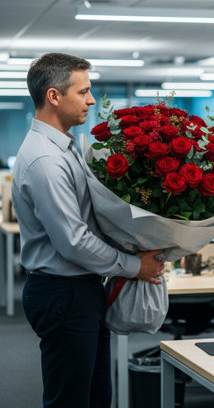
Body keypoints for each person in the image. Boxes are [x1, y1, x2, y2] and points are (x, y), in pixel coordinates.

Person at [12, 53, 165, 408]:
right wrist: (134, 266)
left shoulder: (63, 148)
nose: (91, 100)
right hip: (63, 292)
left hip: (79, 290)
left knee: (95, 396)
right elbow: (73, 241)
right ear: (54, 96)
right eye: (83, 92)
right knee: (71, 400)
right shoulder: (46, 160)